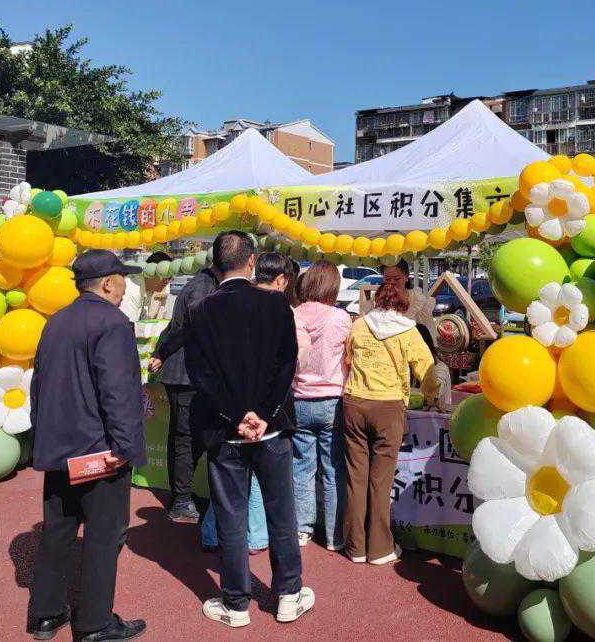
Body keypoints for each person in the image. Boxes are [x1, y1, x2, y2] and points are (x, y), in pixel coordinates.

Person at [182, 233, 314, 628]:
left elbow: (200, 375)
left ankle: (236, 603)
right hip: (271, 430)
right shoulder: (275, 303)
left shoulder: (200, 310)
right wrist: (265, 414)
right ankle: (288, 594)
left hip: (226, 431)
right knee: (281, 511)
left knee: (231, 516)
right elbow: (286, 363)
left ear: (214, 264)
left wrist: (237, 415)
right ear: (252, 261)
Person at [27, 250, 147, 642]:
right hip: (99, 450)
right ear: (108, 283)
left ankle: (45, 614)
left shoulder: (57, 320)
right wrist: (125, 447)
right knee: (104, 535)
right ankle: (94, 622)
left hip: (59, 447)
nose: (126, 285)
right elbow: (118, 391)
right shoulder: (112, 322)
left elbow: (39, 384)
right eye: (123, 278)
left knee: (58, 531)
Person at [342, 279, 435, 565]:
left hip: (354, 403)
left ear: (377, 300)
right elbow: (427, 370)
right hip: (389, 406)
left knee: (355, 478)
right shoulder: (408, 330)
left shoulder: (359, 324)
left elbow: (348, 358)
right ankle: (380, 548)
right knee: (380, 481)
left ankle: (355, 546)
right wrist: (432, 395)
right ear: (403, 304)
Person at [148, 256, 216, 523]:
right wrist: (162, 352)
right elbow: (184, 327)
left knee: (184, 437)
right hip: (185, 374)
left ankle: (182, 496)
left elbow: (175, 327)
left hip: (184, 372)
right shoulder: (203, 287)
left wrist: (161, 352)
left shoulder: (199, 284)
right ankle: (181, 499)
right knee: (185, 438)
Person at [290, 261, 351, 550]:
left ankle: (302, 529)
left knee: (302, 468)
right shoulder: (341, 318)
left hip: (300, 397)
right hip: (332, 400)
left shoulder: (294, 314)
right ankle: (334, 535)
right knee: (333, 469)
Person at [380, 259, 436, 340]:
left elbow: (429, 332)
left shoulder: (418, 301)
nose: (392, 282)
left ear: (406, 277)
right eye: (387, 279)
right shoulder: (378, 299)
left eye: (397, 279)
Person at [120, 251, 173, 322]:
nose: (167, 281)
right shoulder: (133, 290)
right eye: (166, 276)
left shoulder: (148, 291)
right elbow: (127, 325)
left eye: (170, 278)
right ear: (151, 270)